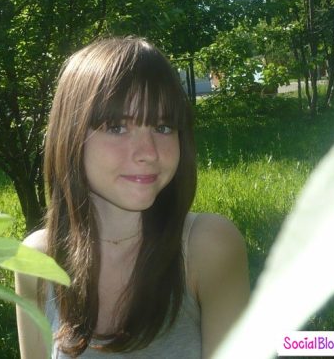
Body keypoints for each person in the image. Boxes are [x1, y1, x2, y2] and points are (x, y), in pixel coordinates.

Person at [15, 36, 249, 358]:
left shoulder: (207, 247)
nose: (148, 152)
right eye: (116, 127)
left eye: (163, 127)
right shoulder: (36, 261)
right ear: (70, 136)